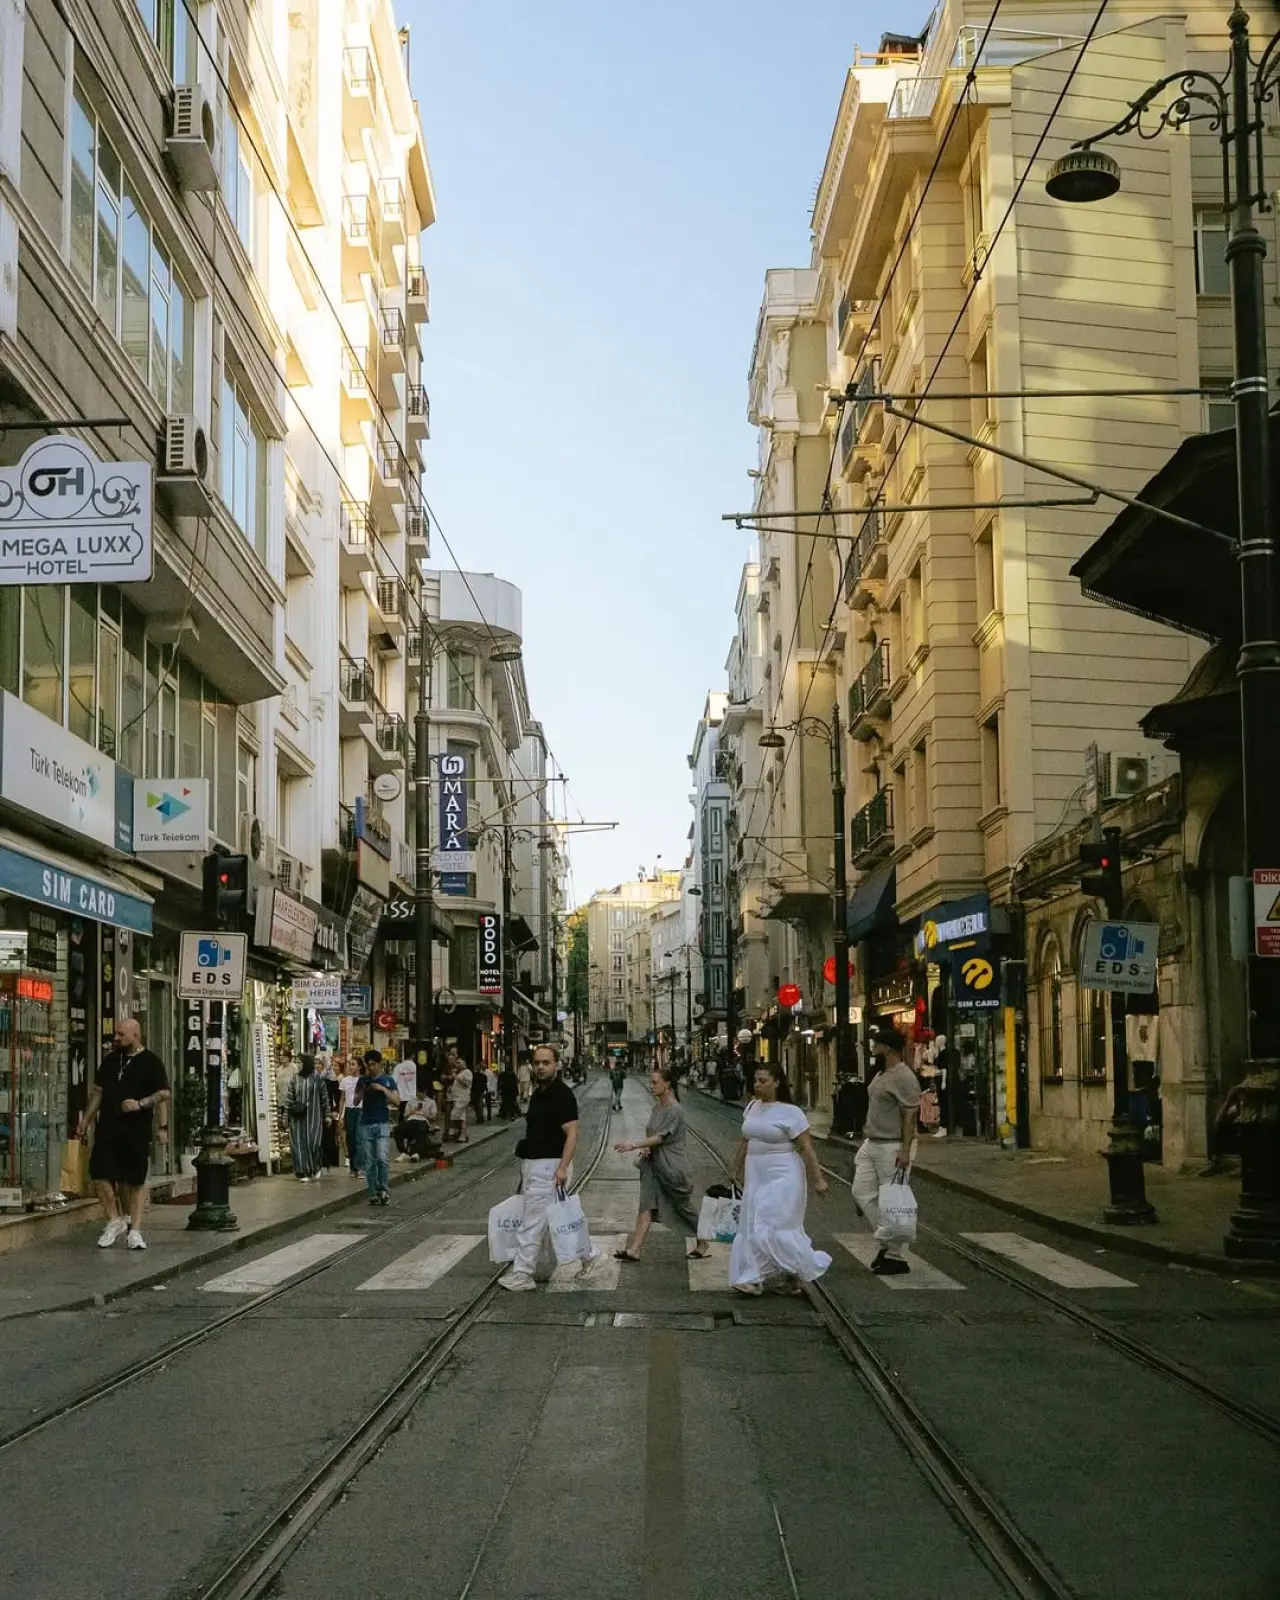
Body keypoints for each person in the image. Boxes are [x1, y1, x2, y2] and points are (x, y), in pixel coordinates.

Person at [499, 1042, 599, 1291]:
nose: (541, 1067)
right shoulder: (539, 1093)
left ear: (557, 1065)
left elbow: (572, 1134)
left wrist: (563, 1168)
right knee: (555, 1219)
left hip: (550, 1166)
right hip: (535, 1165)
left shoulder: (561, 1095)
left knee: (532, 1222)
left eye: (546, 1062)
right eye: (537, 1063)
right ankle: (590, 1255)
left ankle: (523, 1274)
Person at [730, 1063, 829, 1295]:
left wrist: (818, 1180)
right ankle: (792, 1278)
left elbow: (806, 1147)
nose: (757, 1085)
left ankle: (754, 1279)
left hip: (784, 1174)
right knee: (754, 1224)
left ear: (777, 1082)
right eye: (755, 1080)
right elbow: (745, 1140)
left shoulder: (791, 1112)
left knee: (768, 1224)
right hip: (756, 1173)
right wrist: (734, 1169)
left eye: (763, 1081)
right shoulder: (752, 1107)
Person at [78, 1017, 170, 1251]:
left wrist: (143, 1107)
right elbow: (97, 1092)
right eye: (116, 1034)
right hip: (108, 1128)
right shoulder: (110, 1061)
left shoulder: (151, 1062)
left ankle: (135, 1231)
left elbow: (163, 1095)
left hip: (136, 1130)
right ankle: (114, 1220)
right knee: (99, 1174)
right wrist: (85, 1120)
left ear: (135, 1036)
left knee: (135, 1180)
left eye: (121, 1034)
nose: (116, 1038)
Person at [613, 1065, 711, 1262]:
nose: (651, 1086)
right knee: (646, 1204)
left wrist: (633, 1145)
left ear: (667, 1084)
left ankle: (704, 1240)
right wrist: (646, 1148)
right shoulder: (657, 1107)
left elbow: (660, 1137)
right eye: (651, 1082)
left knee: (683, 1207)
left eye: (654, 1082)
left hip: (671, 1166)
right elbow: (652, 1134)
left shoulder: (675, 1109)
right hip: (652, 1164)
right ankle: (635, 1249)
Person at [852, 1024, 921, 1276]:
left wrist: (905, 1150)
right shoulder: (881, 1073)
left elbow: (910, 1117)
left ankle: (895, 1256)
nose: (873, 1048)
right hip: (872, 1143)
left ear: (888, 1048)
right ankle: (886, 1242)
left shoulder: (904, 1076)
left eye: (877, 1045)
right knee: (861, 1192)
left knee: (892, 1202)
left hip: (892, 1145)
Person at [356, 1050, 400, 1206]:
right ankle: (372, 1193)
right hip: (365, 1124)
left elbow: (397, 1101)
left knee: (382, 1158)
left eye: (373, 1065)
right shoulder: (362, 1079)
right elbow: (355, 1101)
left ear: (379, 1064)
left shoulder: (388, 1080)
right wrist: (363, 1089)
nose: (371, 1068)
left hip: (382, 1123)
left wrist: (382, 1089)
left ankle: (384, 1190)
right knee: (369, 1162)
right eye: (369, 1065)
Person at [284, 1054, 328, 1182]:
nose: (298, 1065)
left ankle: (316, 1166)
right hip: (297, 1118)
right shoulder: (295, 1079)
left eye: (300, 1062)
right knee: (298, 1143)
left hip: (314, 1117)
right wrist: (285, 1116)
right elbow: (289, 1098)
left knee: (313, 1143)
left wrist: (328, 1115)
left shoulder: (318, 1079)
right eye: (297, 1062)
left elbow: (324, 1098)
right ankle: (304, 1171)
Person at [393, 1090, 439, 1161]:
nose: (419, 1094)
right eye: (418, 1092)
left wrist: (423, 1114)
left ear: (425, 1092)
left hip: (423, 1121)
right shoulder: (411, 1101)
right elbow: (405, 1116)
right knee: (396, 1129)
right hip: (411, 1120)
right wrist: (413, 1110)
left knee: (420, 1129)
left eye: (421, 1092)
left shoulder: (431, 1102)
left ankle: (417, 1153)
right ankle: (403, 1152)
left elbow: (433, 1117)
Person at [339, 1058, 363, 1178]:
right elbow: (342, 1099)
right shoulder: (344, 1080)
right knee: (350, 1139)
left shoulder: (363, 1080)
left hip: (360, 1109)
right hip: (349, 1110)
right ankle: (353, 1166)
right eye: (349, 1064)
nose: (350, 1067)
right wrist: (341, 1116)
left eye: (353, 1064)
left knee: (359, 1138)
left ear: (359, 1067)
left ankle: (359, 1167)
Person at [451, 1055, 474, 1142]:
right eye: (457, 1063)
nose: (457, 1064)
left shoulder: (467, 1072)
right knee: (462, 1116)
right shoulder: (460, 1072)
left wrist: (456, 1077)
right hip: (458, 1097)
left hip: (462, 1097)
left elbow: (467, 1083)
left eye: (459, 1062)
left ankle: (455, 1132)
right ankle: (463, 1135)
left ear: (464, 1063)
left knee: (454, 1114)